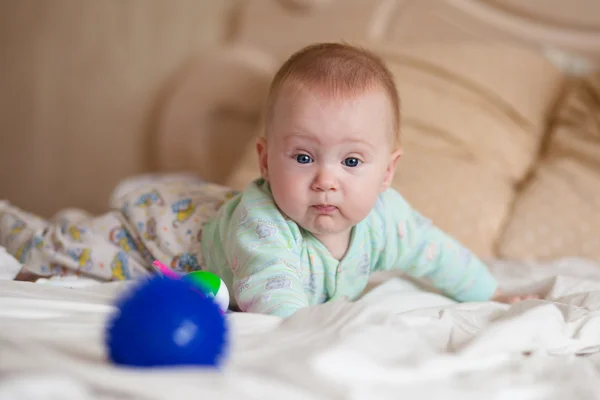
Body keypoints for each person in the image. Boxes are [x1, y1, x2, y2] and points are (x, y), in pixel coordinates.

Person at [0, 43, 536, 316]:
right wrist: (309, 338)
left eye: (352, 163)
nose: (326, 180)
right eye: (303, 157)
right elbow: (274, 298)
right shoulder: (265, 226)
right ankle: (16, 224)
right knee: (63, 250)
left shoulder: (389, 221)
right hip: (161, 240)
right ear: (264, 160)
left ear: (388, 172)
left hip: (207, 230)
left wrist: (492, 293)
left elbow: (436, 253)